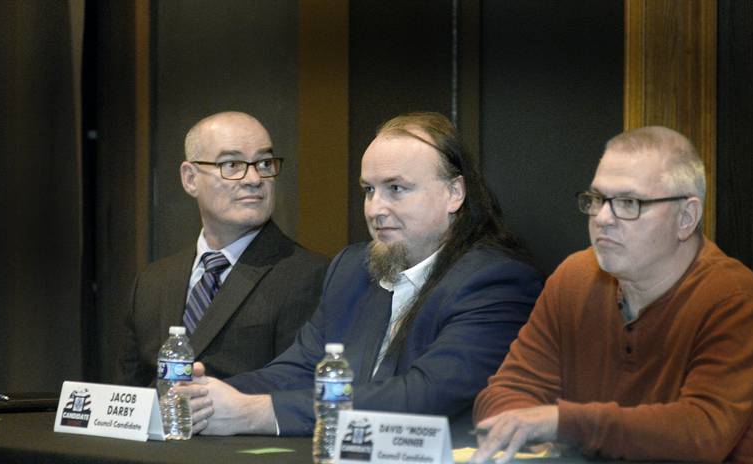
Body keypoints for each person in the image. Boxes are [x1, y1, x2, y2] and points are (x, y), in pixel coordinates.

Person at [180, 112, 543, 436]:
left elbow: (424, 395)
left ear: (454, 193)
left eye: (396, 189)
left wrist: (257, 413)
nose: (375, 209)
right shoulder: (351, 269)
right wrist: (206, 395)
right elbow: (299, 368)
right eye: (369, 190)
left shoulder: (497, 280)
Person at [472, 126, 753, 463]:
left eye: (629, 203)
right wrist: (521, 430)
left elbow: (701, 434)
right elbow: (505, 392)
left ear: (686, 218)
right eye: (597, 199)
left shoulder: (734, 299)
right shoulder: (574, 278)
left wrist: (562, 423)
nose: (602, 218)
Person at [116, 111, 329, 387]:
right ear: (190, 178)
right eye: (232, 164)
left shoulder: (309, 276)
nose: (254, 178)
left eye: (264, 163)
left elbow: (297, 392)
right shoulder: (151, 282)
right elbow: (126, 401)